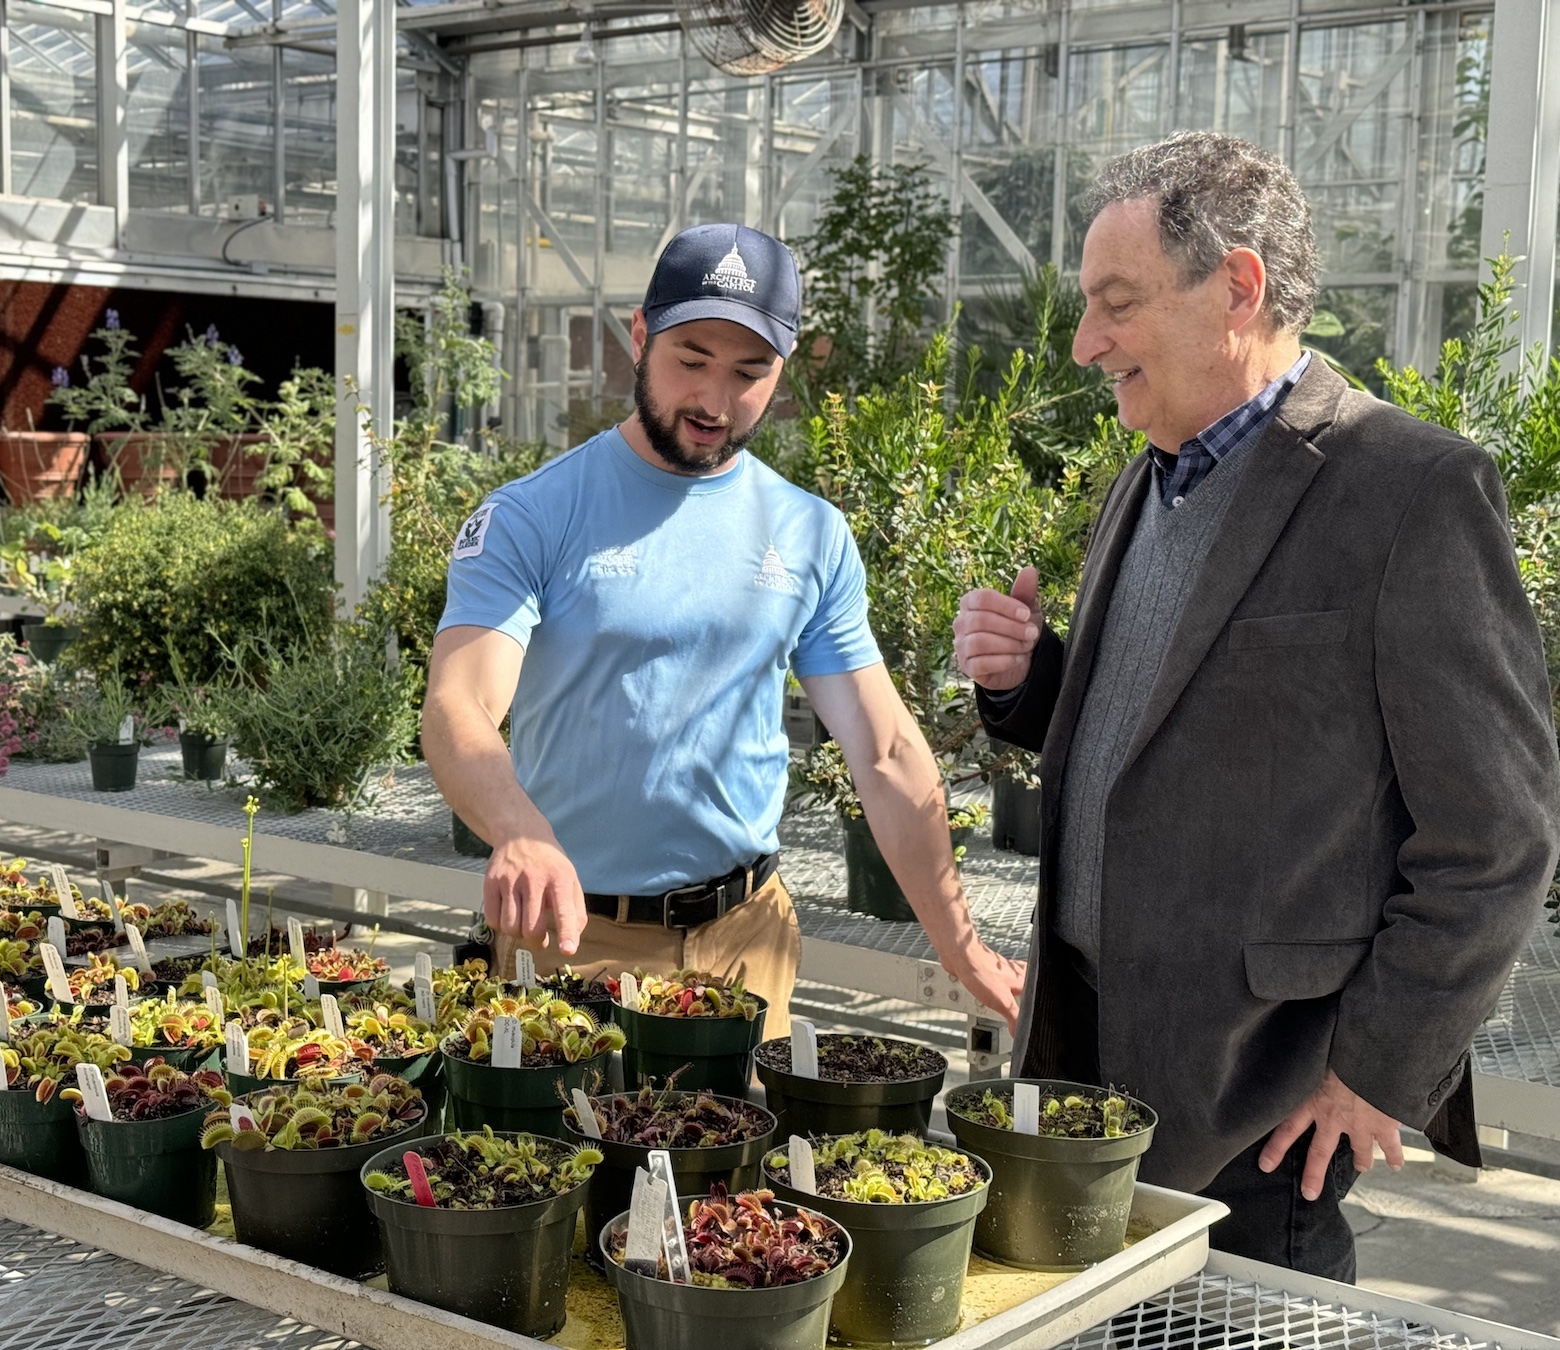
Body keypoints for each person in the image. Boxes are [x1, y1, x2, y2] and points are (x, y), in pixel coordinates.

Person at [953, 131, 1560, 1280]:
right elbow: (1177, 719)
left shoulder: (1411, 489)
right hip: (1086, 1056)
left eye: (1116, 304)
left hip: (1257, 1101)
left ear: (1238, 286)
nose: (1087, 345)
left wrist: (1380, 1071)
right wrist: (1034, 681)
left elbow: (1499, 836)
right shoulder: (1152, 471)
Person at [422, 222, 1024, 1044]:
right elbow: (458, 706)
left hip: (748, 940)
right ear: (640, 335)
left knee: (739, 1168)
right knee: (563, 1166)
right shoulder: (536, 514)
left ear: (786, 366)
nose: (713, 402)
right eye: (691, 360)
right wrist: (519, 830)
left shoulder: (808, 533)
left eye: (749, 373)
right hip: (571, 932)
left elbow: (885, 753)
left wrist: (959, 943)